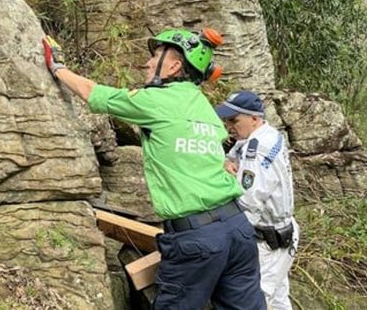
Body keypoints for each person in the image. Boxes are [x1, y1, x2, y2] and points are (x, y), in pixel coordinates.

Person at [42, 29, 266, 309]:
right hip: (237, 230)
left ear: (174, 67)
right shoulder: (204, 108)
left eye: (156, 57)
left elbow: (95, 94)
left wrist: (57, 67)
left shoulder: (157, 101)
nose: (147, 63)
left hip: (197, 238)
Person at [217, 90, 299, 310]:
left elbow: (248, 205)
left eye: (234, 120)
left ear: (254, 117)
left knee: (257, 299)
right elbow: (233, 157)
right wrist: (226, 164)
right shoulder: (264, 135)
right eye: (226, 121)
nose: (229, 127)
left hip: (270, 241)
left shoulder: (257, 149)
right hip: (278, 233)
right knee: (279, 299)